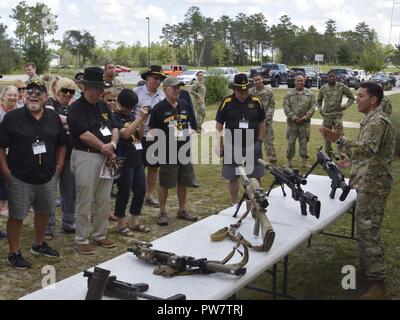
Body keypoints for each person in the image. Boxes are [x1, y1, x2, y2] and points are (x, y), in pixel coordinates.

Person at [320, 82, 395, 300]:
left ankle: (378, 284)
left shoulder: (377, 121)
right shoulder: (371, 119)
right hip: (370, 180)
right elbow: (368, 152)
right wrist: (348, 161)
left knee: (367, 229)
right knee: (365, 227)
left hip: (375, 184)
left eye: (361, 96)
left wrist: (338, 139)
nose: (357, 99)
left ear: (373, 100)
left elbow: (366, 149)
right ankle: (369, 270)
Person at [0, 79, 67, 270]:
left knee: (44, 212)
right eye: (29, 92)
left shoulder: (53, 117)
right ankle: (14, 252)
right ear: (24, 95)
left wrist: (59, 167)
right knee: (17, 216)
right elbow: (1, 145)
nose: (33, 96)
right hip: (19, 177)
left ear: (46, 97)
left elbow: (62, 143)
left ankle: (38, 244)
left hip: (47, 176)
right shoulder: (12, 117)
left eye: (38, 93)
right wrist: (6, 172)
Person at [67, 67, 119, 255]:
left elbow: (114, 126)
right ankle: (82, 238)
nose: (100, 92)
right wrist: (103, 147)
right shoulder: (76, 108)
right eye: (96, 88)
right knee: (85, 199)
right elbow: (83, 134)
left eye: (101, 88)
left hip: (107, 156)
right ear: (86, 87)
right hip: (86, 156)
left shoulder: (103, 105)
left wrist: (112, 144)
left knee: (104, 198)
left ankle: (100, 234)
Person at [148, 77, 198, 226]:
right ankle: (162, 212)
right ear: (165, 89)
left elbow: (188, 123)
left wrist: (188, 131)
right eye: (174, 87)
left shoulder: (183, 104)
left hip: (184, 149)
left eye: (179, 87)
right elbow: (152, 131)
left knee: (183, 181)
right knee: (165, 183)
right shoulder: (158, 108)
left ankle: (182, 210)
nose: (178, 90)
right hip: (167, 151)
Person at [215, 73, 266, 205]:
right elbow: (219, 126)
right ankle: (234, 203)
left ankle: (258, 203)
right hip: (232, 144)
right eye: (240, 90)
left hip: (253, 143)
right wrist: (219, 145)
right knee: (233, 176)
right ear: (234, 89)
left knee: (255, 175)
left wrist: (259, 141)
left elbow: (262, 122)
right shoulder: (227, 102)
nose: (244, 93)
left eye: (246, 90)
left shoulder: (256, 101)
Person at [114, 89, 150, 236]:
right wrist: (138, 119)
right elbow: (125, 134)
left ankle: (135, 221)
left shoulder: (131, 116)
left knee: (140, 190)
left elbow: (140, 136)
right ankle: (120, 223)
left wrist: (142, 121)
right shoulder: (115, 116)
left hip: (137, 159)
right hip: (125, 160)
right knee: (124, 192)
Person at [44, 78, 77, 238]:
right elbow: (53, 119)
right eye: (65, 91)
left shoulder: (73, 105)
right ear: (57, 90)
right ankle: (48, 227)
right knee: (49, 192)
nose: (68, 94)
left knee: (69, 191)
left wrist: (67, 122)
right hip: (51, 155)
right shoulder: (49, 102)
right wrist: (69, 122)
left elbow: (77, 124)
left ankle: (69, 222)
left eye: (71, 92)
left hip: (70, 154)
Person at [134, 65, 167, 208]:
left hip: (155, 136)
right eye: (155, 78)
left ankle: (149, 195)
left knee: (153, 167)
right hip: (136, 135)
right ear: (147, 77)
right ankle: (137, 194)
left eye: (159, 79)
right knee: (138, 166)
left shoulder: (163, 96)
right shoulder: (136, 93)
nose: (157, 81)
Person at [317, 70, 355, 156]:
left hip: (337, 116)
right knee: (327, 137)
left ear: (336, 77)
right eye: (330, 76)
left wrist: (345, 106)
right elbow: (318, 101)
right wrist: (320, 110)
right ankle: (328, 156)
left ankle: (342, 156)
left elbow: (351, 98)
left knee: (340, 136)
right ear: (327, 78)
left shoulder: (341, 86)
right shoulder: (323, 88)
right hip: (327, 116)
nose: (331, 78)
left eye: (333, 76)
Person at [283, 75, 316, 168]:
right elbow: (286, 107)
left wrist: (305, 117)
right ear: (295, 82)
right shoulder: (288, 94)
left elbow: (312, 107)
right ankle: (289, 161)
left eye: (301, 81)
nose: (299, 83)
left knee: (304, 142)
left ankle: (304, 161)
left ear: (304, 82)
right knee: (290, 142)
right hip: (292, 123)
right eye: (298, 81)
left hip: (304, 123)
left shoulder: (310, 94)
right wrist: (293, 117)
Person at [250, 73, 278, 164]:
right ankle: (254, 161)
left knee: (268, 142)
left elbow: (271, 107)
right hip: (253, 123)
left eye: (259, 79)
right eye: (255, 80)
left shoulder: (269, 92)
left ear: (262, 80)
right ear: (253, 81)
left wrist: (265, 120)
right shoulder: (250, 93)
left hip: (266, 123)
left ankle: (272, 161)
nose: (258, 81)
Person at [0, 86, 18, 217]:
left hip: (16, 153)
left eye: (15, 95)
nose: (12, 97)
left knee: (13, 180)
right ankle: (2, 206)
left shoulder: (21, 113)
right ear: (3, 96)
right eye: (9, 95)